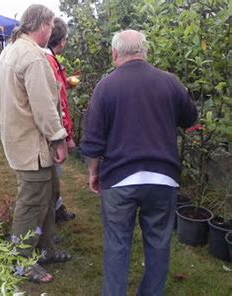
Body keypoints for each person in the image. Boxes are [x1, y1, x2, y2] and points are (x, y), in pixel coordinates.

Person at [80, 30, 197, 296]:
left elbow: (94, 139)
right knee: (158, 243)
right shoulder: (170, 82)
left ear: (114, 54)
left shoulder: (105, 86)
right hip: (163, 178)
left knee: (117, 244)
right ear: (145, 51)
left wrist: (93, 172)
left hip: (119, 180)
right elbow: (190, 117)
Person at [0, 4, 70, 284]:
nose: (52, 31)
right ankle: (21, 260)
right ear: (42, 26)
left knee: (48, 195)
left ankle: (46, 248)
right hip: (32, 143)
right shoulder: (33, 57)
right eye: (51, 26)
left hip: (19, 137)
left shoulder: (10, 51)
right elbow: (44, 107)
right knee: (31, 202)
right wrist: (58, 138)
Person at [45, 17, 77, 224]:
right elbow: (58, 105)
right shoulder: (47, 62)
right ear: (62, 40)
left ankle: (56, 210)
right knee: (49, 176)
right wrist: (67, 136)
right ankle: (47, 223)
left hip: (48, 129)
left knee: (51, 176)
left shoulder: (48, 60)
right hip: (52, 131)